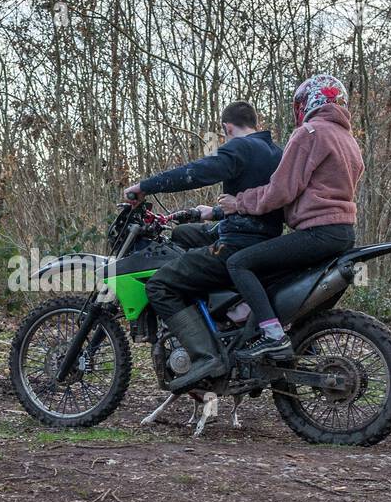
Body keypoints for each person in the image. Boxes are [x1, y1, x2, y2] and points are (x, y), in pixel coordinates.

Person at [122, 102, 283, 389]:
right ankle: (216, 315)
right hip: (263, 240)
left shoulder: (240, 148)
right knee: (182, 235)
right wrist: (215, 212)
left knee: (160, 286)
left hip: (237, 244)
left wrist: (146, 185)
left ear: (227, 128)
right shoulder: (276, 152)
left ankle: (205, 356)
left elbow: (198, 172)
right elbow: (261, 202)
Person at [217, 73, 363, 361]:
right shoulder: (348, 140)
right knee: (276, 278)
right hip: (343, 233)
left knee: (239, 263)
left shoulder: (310, 133)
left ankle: (272, 336)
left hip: (317, 233)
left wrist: (239, 203)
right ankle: (304, 344)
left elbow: (281, 189)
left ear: (308, 101)